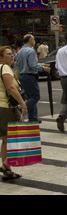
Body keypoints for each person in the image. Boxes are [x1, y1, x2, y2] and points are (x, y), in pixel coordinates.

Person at [0, 46, 28, 181]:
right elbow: (11, 88)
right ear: (1, 57)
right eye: (8, 54)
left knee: (6, 139)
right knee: (17, 138)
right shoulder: (4, 68)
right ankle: (5, 165)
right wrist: (23, 104)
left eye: (12, 54)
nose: (12, 56)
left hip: (2, 107)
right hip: (7, 107)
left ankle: (7, 171)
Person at [15, 34, 50, 122]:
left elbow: (17, 64)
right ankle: (20, 110)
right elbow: (33, 65)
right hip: (29, 76)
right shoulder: (31, 51)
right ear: (30, 40)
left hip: (22, 75)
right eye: (33, 39)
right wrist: (43, 68)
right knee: (35, 97)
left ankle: (33, 118)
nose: (34, 41)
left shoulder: (19, 51)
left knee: (30, 96)